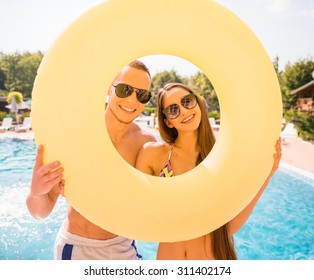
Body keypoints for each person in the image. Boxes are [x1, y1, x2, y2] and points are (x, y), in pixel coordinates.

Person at [26, 60, 156, 260]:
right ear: (108, 89)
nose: (132, 100)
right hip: (79, 248)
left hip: (124, 247)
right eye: (125, 89)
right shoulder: (76, 136)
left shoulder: (145, 143)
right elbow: (40, 212)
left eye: (142, 95)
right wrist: (36, 193)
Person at [135, 82, 282, 260]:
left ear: (197, 103)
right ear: (167, 121)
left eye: (187, 101)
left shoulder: (220, 158)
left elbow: (229, 225)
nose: (183, 110)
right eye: (173, 109)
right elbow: (137, 210)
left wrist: (267, 174)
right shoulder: (154, 155)